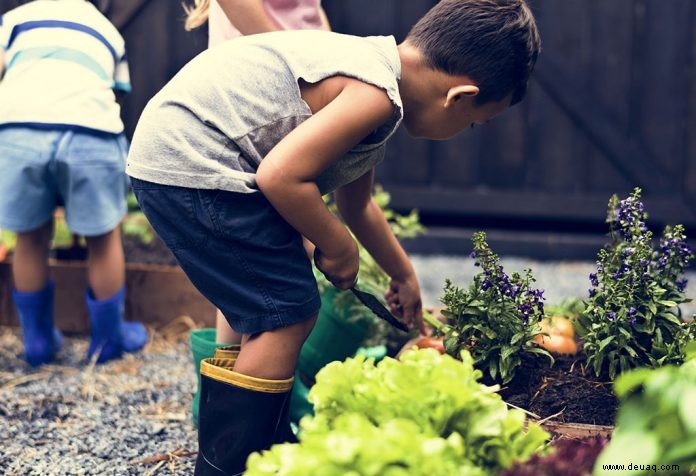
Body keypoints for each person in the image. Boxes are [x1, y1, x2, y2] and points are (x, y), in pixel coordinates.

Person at [127, 0, 540, 473]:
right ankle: (229, 464)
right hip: (193, 161)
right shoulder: (375, 94)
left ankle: (260, 440)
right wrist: (338, 245)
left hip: (183, 155)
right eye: (473, 123)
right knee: (285, 313)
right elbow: (280, 176)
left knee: (265, 305)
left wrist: (401, 274)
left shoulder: (372, 71)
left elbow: (355, 204)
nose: (465, 130)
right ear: (460, 96)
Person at [181, 0, 331, 429]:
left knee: (267, 260)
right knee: (258, 258)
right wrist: (301, 76)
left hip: (290, 107)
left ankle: (235, 388)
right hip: (257, 103)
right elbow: (273, 41)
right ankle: (238, 400)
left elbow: (315, 24)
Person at [0, 0, 148, 367]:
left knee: (30, 237)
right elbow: (116, 93)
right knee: (104, 238)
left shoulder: (16, 19)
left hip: (20, 129)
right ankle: (108, 341)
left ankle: (36, 342)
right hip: (90, 131)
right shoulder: (108, 30)